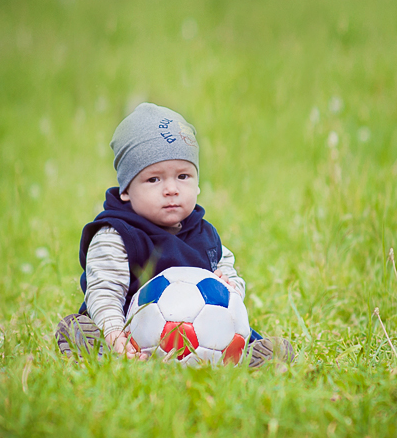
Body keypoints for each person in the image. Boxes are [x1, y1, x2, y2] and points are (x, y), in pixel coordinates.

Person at [55, 103, 293, 367]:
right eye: (154, 179)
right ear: (125, 190)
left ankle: (249, 356)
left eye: (183, 176)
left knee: (237, 334)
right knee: (95, 334)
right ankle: (96, 345)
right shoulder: (117, 235)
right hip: (131, 334)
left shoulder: (203, 233)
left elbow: (228, 273)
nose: (171, 189)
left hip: (202, 333)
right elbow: (105, 292)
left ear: (198, 182)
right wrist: (113, 332)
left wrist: (231, 285)